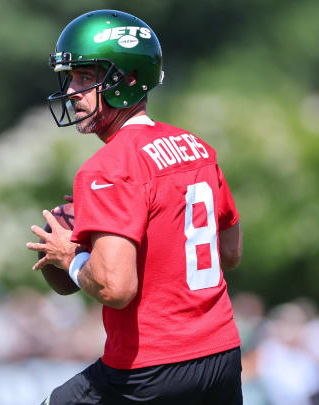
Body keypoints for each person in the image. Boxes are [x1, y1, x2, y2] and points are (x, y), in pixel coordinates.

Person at [26, 9, 243, 405]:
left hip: (151, 366)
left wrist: (70, 256)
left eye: (86, 78)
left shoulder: (109, 166)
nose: (72, 90)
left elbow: (116, 287)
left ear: (126, 80)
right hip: (221, 356)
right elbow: (229, 253)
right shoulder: (198, 147)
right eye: (71, 77)